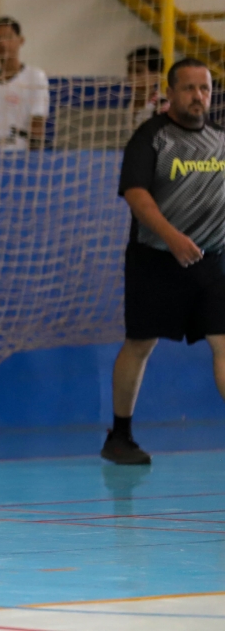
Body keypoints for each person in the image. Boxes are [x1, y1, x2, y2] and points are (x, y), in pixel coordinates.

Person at [105, 57, 222, 465]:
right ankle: (120, 436)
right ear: (170, 93)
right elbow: (136, 195)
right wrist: (172, 238)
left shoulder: (220, 140)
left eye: (205, 88)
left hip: (212, 261)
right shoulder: (151, 137)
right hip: (155, 259)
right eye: (189, 88)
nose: (198, 96)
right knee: (140, 344)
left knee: (223, 342)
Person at [0, 17, 49, 151]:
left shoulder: (35, 77)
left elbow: (37, 123)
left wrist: (33, 158)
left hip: (19, 154)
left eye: (8, 37)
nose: (3, 43)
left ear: (21, 40)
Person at [127, 45, 166, 130]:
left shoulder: (163, 107)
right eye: (129, 70)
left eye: (138, 71)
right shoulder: (130, 104)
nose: (131, 77)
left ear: (156, 76)